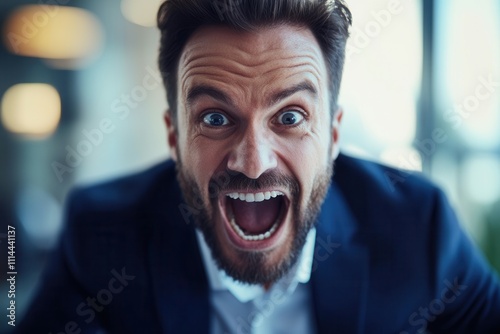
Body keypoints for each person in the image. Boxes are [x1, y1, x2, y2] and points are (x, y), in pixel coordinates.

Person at [17, 0, 500, 333]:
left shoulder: (419, 226)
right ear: (174, 136)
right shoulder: (100, 233)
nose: (253, 162)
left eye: (290, 117)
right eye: (214, 117)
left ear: (332, 134)